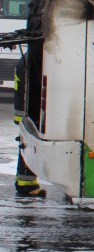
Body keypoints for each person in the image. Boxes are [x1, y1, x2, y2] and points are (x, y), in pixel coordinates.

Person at [12, 55, 45, 198]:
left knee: (25, 146)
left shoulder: (26, 59)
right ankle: (26, 185)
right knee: (28, 147)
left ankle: (25, 183)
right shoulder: (32, 61)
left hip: (24, 113)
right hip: (28, 114)